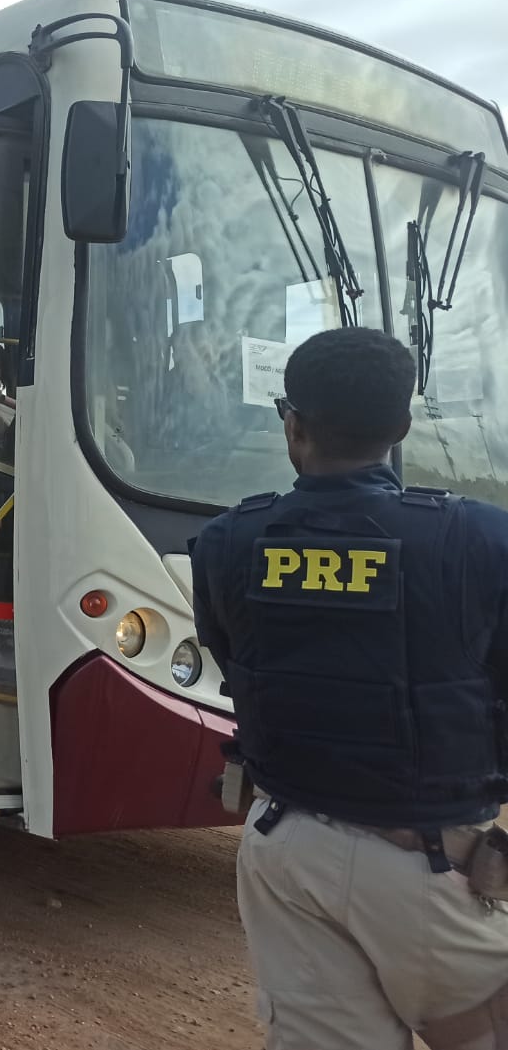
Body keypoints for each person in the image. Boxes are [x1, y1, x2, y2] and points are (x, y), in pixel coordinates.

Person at [189, 327, 508, 1050]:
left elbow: (234, 660)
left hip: (284, 848)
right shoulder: (482, 543)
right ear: (401, 426)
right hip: (430, 861)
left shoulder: (227, 544)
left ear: (292, 425)